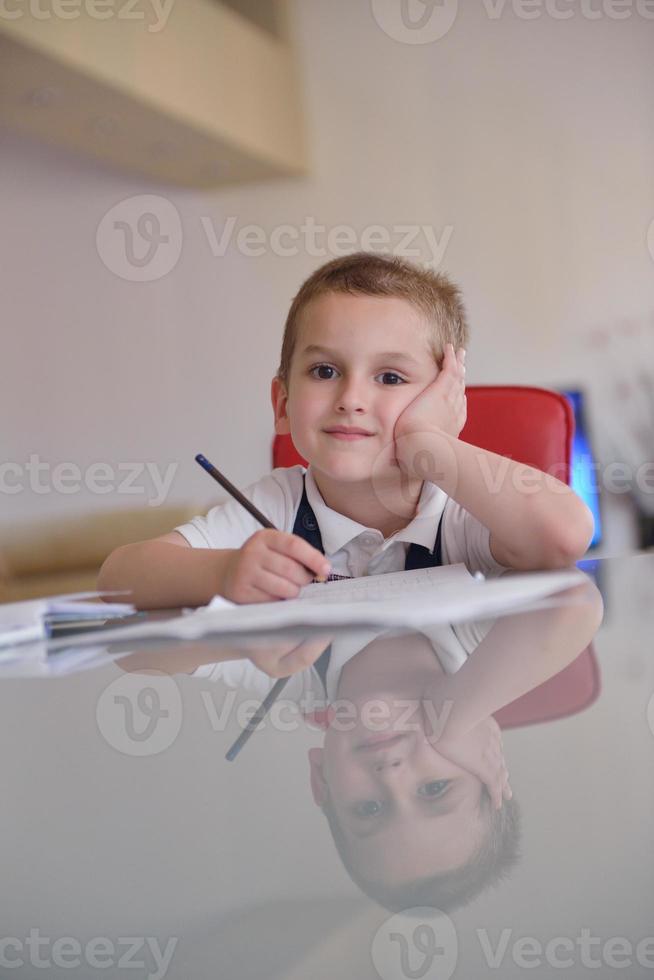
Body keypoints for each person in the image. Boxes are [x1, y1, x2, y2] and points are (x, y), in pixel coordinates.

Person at [98, 252, 594, 608]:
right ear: (283, 404)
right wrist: (224, 571)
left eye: (390, 377)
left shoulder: (465, 510)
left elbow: (564, 536)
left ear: (443, 405)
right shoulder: (276, 506)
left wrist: (432, 447)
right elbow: (119, 575)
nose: (351, 399)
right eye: (325, 372)